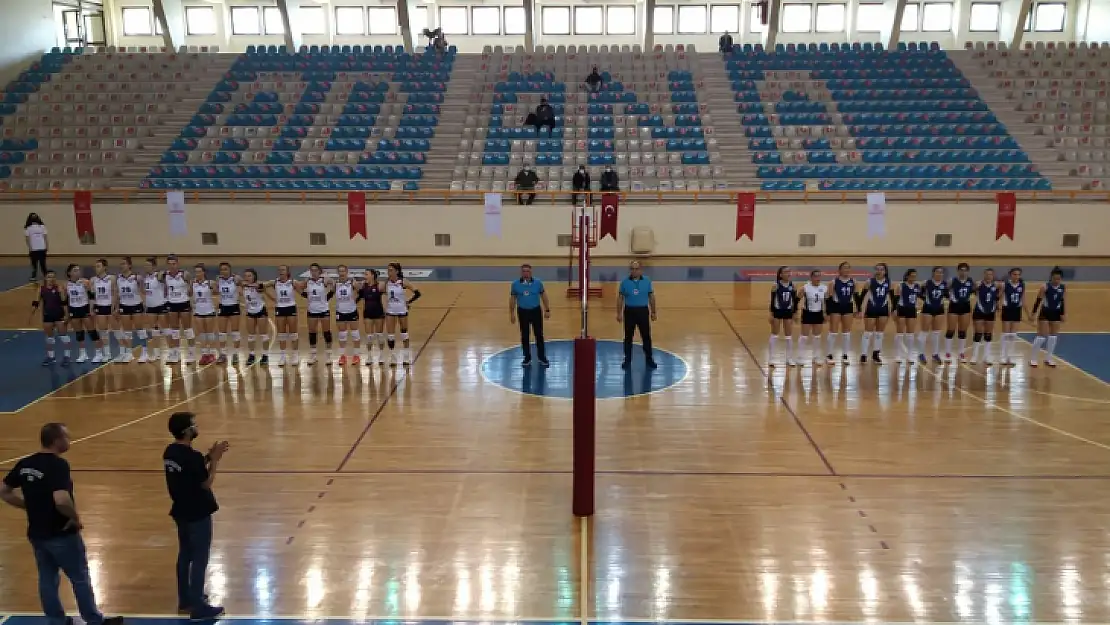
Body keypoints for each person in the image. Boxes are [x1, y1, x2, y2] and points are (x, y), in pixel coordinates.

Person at [1, 423, 125, 625]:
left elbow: (3, 491)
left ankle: (56, 620)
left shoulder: (24, 464)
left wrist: (28, 507)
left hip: (37, 533)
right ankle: (94, 620)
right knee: (79, 577)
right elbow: (61, 500)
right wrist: (75, 517)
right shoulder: (58, 465)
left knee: (47, 578)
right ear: (56, 440)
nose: (70, 440)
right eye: (67, 437)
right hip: (61, 532)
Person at [163, 412, 227, 621]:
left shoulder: (171, 452)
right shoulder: (191, 457)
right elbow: (205, 482)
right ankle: (198, 606)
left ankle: (186, 599)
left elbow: (192, 468)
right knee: (200, 558)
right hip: (198, 512)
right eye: (193, 425)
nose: (196, 427)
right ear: (187, 431)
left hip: (181, 510)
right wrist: (215, 461)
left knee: (185, 555)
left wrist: (207, 457)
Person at [617, 261, 657, 370]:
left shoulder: (647, 281)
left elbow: (651, 297)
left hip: (643, 312)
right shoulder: (624, 282)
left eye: (636, 269)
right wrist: (619, 313)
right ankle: (627, 360)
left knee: (646, 336)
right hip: (629, 312)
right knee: (628, 337)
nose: (634, 271)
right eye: (632, 269)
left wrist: (653, 312)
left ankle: (649, 359)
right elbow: (620, 298)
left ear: (641, 270)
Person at [510, 263, 551, 367]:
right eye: (524, 271)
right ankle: (527, 358)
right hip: (522, 312)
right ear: (521, 272)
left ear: (531, 272)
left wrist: (547, 309)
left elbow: (543, 295)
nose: (526, 273)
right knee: (525, 335)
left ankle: (542, 357)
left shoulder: (538, 283)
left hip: (536, 311)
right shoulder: (515, 284)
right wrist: (511, 313)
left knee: (539, 335)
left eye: (527, 271)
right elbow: (513, 299)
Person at [384, 262, 422, 366]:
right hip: (390, 311)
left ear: (397, 271)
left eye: (391, 270)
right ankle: (393, 357)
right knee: (390, 335)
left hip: (402, 310)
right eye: (388, 270)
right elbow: (381, 292)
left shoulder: (403, 282)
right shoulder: (387, 282)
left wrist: (408, 302)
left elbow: (418, 293)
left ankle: (406, 356)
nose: (389, 272)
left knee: (404, 333)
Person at [32, 269, 71, 366]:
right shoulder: (41, 289)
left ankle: (67, 356)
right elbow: (36, 302)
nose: (51, 279)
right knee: (49, 338)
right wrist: (32, 313)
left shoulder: (59, 288)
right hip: (47, 315)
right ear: (45, 278)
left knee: (64, 336)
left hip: (59, 315)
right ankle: (51, 357)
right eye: (49, 277)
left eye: (53, 276)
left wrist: (67, 315)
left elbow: (64, 303)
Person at [264, 264, 300, 365]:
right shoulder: (274, 282)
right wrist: (271, 297)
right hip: (280, 308)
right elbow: (261, 285)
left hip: (291, 308)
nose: (281, 271)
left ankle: (295, 355)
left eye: (283, 270)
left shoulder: (293, 282)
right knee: (281, 334)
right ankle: (283, 356)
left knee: (293, 334)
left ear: (287, 272)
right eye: (279, 270)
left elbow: (303, 288)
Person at [1030, 266, 1066, 367]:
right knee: (1041, 336)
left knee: (1053, 336)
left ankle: (1048, 358)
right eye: (1055, 279)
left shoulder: (1062, 288)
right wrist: (1033, 314)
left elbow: (1062, 301)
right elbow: (1038, 301)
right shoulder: (1044, 287)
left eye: (1058, 279)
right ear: (1051, 278)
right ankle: (1033, 358)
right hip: (1045, 312)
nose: (1056, 281)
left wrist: (1063, 314)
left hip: (1056, 313)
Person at [858, 262, 891, 364]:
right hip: (871, 308)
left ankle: (876, 354)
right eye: (877, 269)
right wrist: (861, 310)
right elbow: (862, 297)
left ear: (885, 271)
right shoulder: (870, 282)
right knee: (867, 333)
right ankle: (863, 354)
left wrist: (892, 309)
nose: (879, 271)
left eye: (881, 269)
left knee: (879, 334)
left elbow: (891, 297)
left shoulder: (889, 282)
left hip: (883, 309)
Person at [164, 255, 195, 364]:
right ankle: (176, 354)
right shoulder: (165, 276)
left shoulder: (184, 274)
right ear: (167, 264)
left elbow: (191, 291)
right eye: (170, 264)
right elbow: (165, 290)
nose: (172, 266)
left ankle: (191, 354)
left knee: (187, 330)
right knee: (175, 330)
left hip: (184, 304)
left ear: (177, 264)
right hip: (172, 304)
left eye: (174, 264)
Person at [114, 257, 144, 363]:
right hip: (124, 305)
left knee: (140, 329)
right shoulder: (118, 278)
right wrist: (116, 307)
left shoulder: (137, 277)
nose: (122, 266)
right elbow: (117, 294)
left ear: (129, 265)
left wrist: (143, 304)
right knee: (127, 331)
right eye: (121, 264)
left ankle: (144, 353)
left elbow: (143, 291)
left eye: (124, 264)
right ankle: (129, 353)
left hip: (136, 305)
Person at [767, 266, 798, 367]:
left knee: (788, 336)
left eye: (789, 271)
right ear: (780, 275)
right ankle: (771, 358)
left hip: (788, 312)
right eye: (786, 272)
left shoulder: (793, 286)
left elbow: (795, 301)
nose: (788, 274)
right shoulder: (775, 286)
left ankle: (789, 358)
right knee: (775, 334)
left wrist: (795, 313)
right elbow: (772, 302)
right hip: (777, 311)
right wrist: (771, 314)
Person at [304, 263, 334, 365]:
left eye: (315, 270)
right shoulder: (307, 281)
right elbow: (299, 288)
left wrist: (328, 297)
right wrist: (305, 296)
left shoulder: (324, 281)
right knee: (312, 333)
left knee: (326, 332)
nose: (313, 272)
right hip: (312, 310)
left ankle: (328, 356)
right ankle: (313, 356)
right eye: (311, 270)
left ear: (319, 271)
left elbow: (333, 285)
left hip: (324, 310)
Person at [65, 264, 95, 364]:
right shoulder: (66, 285)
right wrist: (67, 314)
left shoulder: (85, 282)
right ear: (69, 273)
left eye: (78, 270)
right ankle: (83, 353)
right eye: (75, 270)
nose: (78, 272)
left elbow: (92, 296)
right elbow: (65, 300)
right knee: (79, 333)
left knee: (92, 331)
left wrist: (91, 309)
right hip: (74, 309)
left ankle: (99, 353)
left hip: (85, 308)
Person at [826, 262, 855, 364]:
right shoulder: (833, 282)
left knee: (846, 333)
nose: (846, 270)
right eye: (844, 268)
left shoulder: (853, 281)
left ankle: (845, 355)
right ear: (839, 270)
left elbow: (854, 296)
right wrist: (828, 313)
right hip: (836, 307)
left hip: (848, 307)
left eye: (848, 268)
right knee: (833, 331)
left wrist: (857, 309)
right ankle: (829, 354)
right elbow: (829, 298)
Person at [999, 268, 1028, 366]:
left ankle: (1009, 357)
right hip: (1007, 309)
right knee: (1005, 334)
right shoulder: (1005, 284)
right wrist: (997, 307)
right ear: (1010, 275)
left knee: (1013, 335)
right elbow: (999, 296)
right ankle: (1003, 357)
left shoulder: (1022, 285)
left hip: (1017, 310)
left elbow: (1023, 300)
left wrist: (1028, 314)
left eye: (1018, 274)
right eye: (1014, 274)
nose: (1016, 276)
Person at [140, 257, 167, 364]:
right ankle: (156, 352)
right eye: (145, 265)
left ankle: (172, 351)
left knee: (165, 329)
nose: (146, 267)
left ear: (154, 266)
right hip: (150, 307)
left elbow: (166, 279)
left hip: (161, 305)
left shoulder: (159, 276)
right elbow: (143, 291)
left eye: (148, 265)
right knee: (154, 330)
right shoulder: (145, 278)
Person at [970, 268, 999, 364]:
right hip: (979, 311)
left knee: (988, 334)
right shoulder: (979, 284)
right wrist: (975, 287)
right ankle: (974, 356)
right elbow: (972, 291)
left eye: (990, 274)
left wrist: (998, 305)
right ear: (984, 275)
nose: (989, 276)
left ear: (993, 276)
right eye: (987, 274)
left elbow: (998, 297)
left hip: (991, 312)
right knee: (978, 333)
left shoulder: (996, 285)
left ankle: (986, 356)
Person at [946, 262, 974, 362]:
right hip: (954, 306)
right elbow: (945, 291)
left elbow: (974, 291)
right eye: (961, 270)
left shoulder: (971, 281)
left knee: (963, 331)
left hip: (965, 306)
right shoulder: (952, 281)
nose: (963, 272)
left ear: (968, 271)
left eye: (965, 270)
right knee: (951, 330)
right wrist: (950, 298)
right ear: (958, 271)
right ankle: (948, 353)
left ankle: (961, 353)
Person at [333, 264, 361, 365]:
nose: (341, 273)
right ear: (338, 273)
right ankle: (342, 356)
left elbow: (360, 291)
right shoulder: (335, 284)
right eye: (339, 271)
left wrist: (356, 299)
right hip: (340, 312)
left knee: (355, 334)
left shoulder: (352, 282)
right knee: (342, 334)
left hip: (352, 311)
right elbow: (329, 294)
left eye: (343, 271)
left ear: (346, 272)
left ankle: (356, 356)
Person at [919, 266, 948, 364]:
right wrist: (924, 300)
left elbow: (947, 295)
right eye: (937, 272)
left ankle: (935, 354)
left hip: (939, 309)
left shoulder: (945, 284)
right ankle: (921, 353)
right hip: (927, 308)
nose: (939, 274)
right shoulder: (926, 283)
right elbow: (919, 293)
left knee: (936, 332)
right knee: (924, 331)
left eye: (941, 272)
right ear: (933, 273)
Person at [241, 268, 269, 366]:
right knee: (251, 335)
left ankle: (265, 355)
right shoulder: (243, 286)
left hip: (260, 310)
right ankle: (251, 355)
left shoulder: (258, 285)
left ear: (254, 277)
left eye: (249, 276)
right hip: (250, 311)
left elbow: (260, 286)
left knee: (263, 334)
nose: (247, 278)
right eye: (245, 276)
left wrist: (245, 284)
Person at [215, 262, 242, 365]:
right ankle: (223, 354)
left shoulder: (236, 279)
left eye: (225, 269)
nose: (223, 271)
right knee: (222, 333)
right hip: (223, 306)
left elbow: (241, 291)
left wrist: (239, 287)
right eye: (222, 269)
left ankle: (236, 354)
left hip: (234, 306)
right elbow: (216, 291)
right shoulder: (218, 279)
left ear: (230, 270)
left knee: (235, 332)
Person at [893, 268, 921, 364]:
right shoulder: (901, 286)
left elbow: (920, 296)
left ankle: (910, 355)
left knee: (910, 334)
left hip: (912, 310)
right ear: (907, 276)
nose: (913, 277)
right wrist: (894, 310)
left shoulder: (917, 286)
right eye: (911, 275)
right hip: (902, 308)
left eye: (915, 276)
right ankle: (898, 355)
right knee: (900, 333)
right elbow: (895, 299)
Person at [799, 270, 827, 366]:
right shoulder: (805, 287)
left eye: (819, 276)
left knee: (817, 336)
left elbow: (825, 302)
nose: (818, 278)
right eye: (815, 276)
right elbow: (797, 299)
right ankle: (800, 357)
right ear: (811, 277)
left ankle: (816, 357)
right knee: (804, 336)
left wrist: (826, 313)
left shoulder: (824, 288)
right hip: (807, 313)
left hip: (818, 313)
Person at [191, 264, 218, 365]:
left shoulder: (210, 283)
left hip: (209, 310)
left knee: (209, 334)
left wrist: (214, 287)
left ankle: (211, 354)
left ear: (204, 272)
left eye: (199, 271)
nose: (197, 274)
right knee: (201, 334)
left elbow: (217, 293)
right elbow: (189, 293)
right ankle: (204, 354)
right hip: (198, 311)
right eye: (196, 272)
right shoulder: (193, 283)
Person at [360, 269, 387, 364]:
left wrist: (385, 311)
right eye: (365, 274)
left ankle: (381, 355)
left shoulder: (380, 285)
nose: (364, 276)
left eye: (366, 274)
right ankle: (369, 356)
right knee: (369, 337)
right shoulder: (363, 286)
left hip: (378, 312)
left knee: (380, 335)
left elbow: (385, 297)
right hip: (367, 313)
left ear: (372, 275)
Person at [90, 259, 115, 363]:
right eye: (96, 266)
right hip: (100, 306)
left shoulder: (111, 278)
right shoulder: (93, 280)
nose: (97, 268)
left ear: (105, 267)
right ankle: (107, 353)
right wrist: (91, 309)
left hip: (110, 306)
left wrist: (114, 307)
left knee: (118, 331)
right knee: (103, 331)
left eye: (99, 266)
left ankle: (126, 352)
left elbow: (114, 293)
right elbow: (92, 296)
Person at [25, 212, 48, 282]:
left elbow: (45, 237)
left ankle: (46, 275)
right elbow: (27, 239)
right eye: (32, 217)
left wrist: (46, 246)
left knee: (43, 263)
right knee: (34, 264)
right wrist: (30, 247)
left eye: (35, 217)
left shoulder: (42, 227)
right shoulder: (27, 228)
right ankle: (34, 276)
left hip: (42, 248)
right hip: (33, 249)